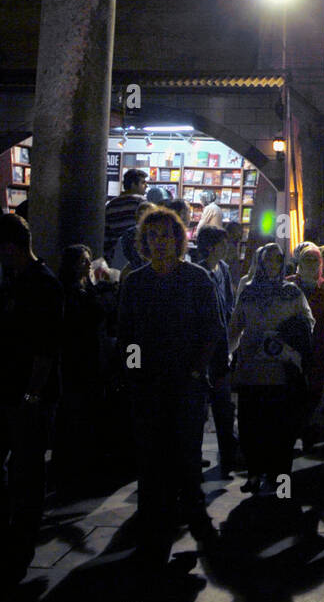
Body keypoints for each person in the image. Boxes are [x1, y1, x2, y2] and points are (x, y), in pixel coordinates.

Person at [116, 207, 224, 569]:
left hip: (185, 386)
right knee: (150, 461)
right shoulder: (134, 282)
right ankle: (152, 532)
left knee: (186, 458)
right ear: (143, 241)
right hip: (148, 387)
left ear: (178, 239)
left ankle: (197, 523)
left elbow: (212, 330)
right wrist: (133, 375)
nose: (159, 242)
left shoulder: (197, 279)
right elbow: (127, 336)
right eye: (152, 236)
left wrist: (196, 372)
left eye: (166, 235)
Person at [0, 214, 63, 585]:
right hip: (12, 390)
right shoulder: (14, 281)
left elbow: (46, 348)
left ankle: (22, 541)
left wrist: (31, 393)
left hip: (27, 394)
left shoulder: (42, 285)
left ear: (13, 247)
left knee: (27, 468)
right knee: (21, 467)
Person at [228, 244, 314, 496]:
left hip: (281, 370)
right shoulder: (249, 293)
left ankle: (280, 478)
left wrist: (288, 337)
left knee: (281, 427)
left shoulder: (291, 292)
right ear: (259, 262)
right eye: (268, 260)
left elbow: (307, 322)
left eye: (277, 260)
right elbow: (235, 327)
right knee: (251, 425)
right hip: (253, 370)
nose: (272, 265)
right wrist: (227, 355)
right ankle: (255, 473)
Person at [52, 245, 116, 495]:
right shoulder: (75, 293)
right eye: (84, 261)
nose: (88, 266)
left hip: (86, 360)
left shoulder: (78, 290)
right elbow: (96, 316)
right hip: (82, 360)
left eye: (89, 261)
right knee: (78, 413)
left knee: (78, 414)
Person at [194, 225, 239, 479]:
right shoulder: (199, 274)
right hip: (204, 351)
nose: (228, 248)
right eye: (223, 243)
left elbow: (228, 306)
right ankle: (194, 454)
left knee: (223, 405)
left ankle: (228, 454)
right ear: (210, 247)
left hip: (221, 349)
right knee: (201, 407)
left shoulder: (221, 270)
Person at [293, 242, 324, 429]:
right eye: (307, 259)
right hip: (295, 345)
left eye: (316, 260)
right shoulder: (290, 284)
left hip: (318, 346)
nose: (312, 263)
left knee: (315, 390)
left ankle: (310, 431)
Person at [104, 167, 149, 264]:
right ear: (133, 184)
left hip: (114, 257)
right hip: (135, 256)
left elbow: (106, 235)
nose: (146, 185)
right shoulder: (141, 202)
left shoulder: (111, 204)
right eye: (143, 182)